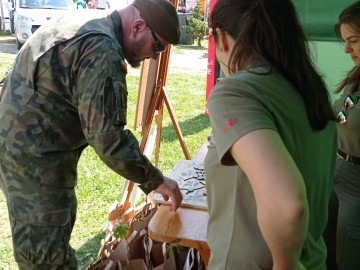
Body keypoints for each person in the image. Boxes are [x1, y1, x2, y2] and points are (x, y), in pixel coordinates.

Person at [0, 0, 183, 268]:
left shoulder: (82, 23)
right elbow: (108, 139)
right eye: (157, 46)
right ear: (138, 26)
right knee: (47, 260)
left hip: (21, 146)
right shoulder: (102, 50)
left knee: (46, 245)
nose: (154, 57)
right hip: (35, 163)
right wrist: (155, 180)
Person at [204, 0, 337, 269]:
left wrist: (284, 264)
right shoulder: (312, 93)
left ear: (220, 38)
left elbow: (288, 205)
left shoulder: (235, 93)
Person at [324, 1, 360, 269]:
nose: (347, 49)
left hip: (356, 185)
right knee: (328, 250)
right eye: (345, 41)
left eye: (354, 40)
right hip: (336, 173)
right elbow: (343, 117)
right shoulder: (357, 79)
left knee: (349, 256)